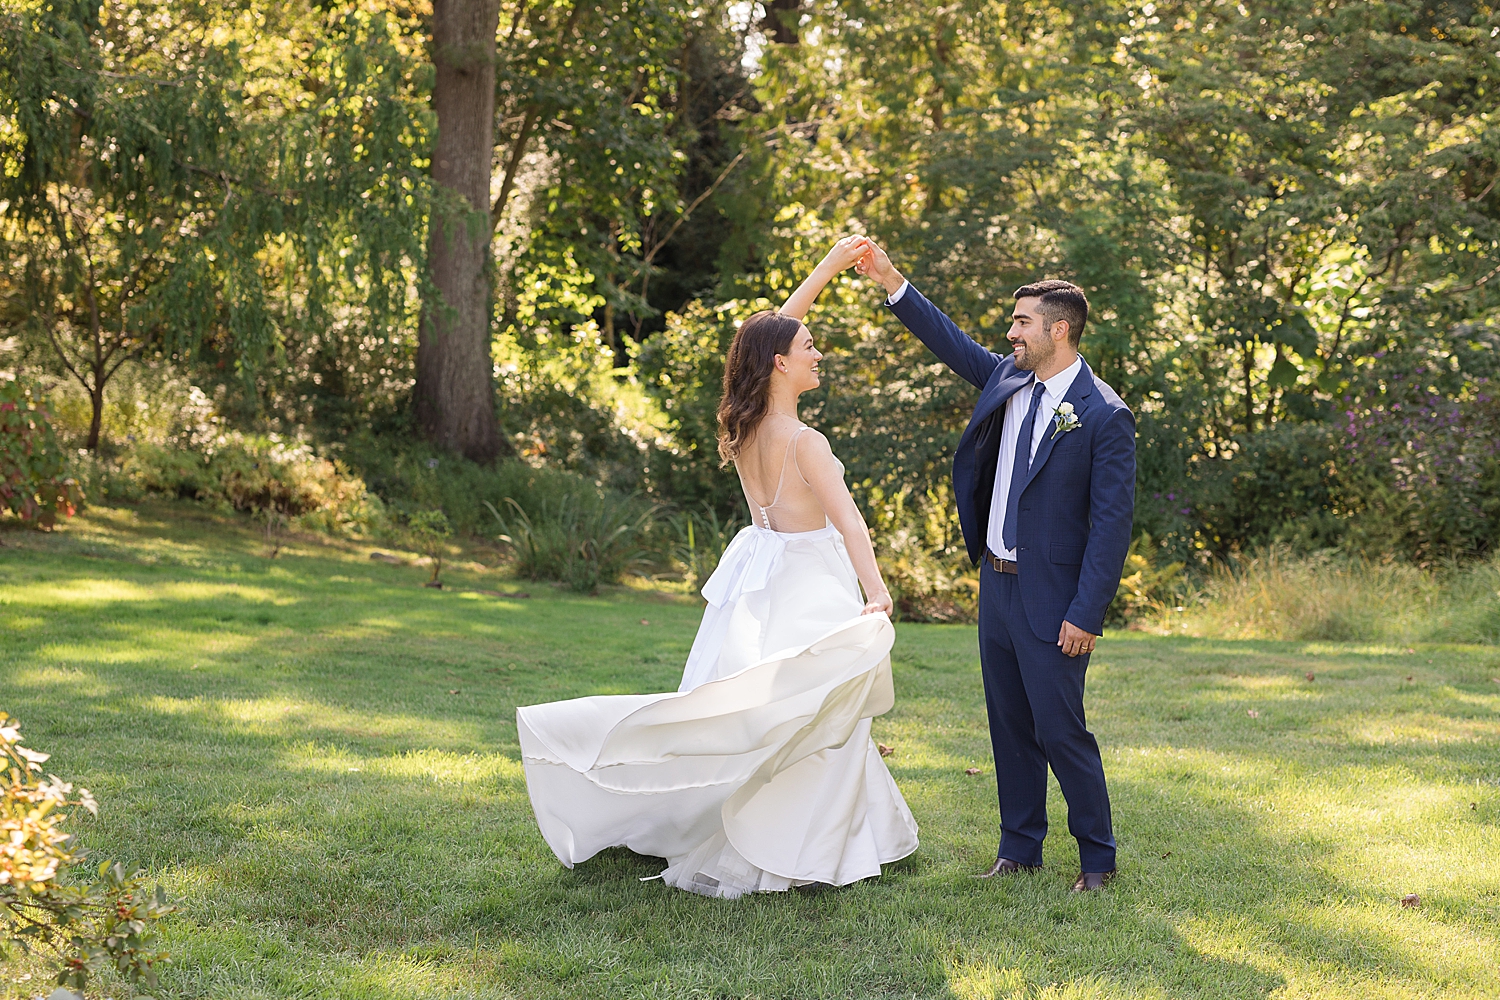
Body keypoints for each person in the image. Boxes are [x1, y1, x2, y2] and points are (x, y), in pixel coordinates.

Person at [516, 236, 918, 898]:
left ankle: (838, 833)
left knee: (783, 708)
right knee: (812, 711)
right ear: (783, 365)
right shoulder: (805, 441)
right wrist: (876, 593)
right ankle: (799, 844)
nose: (819, 354)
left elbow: (763, 339)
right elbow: (849, 522)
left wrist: (828, 267)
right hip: (809, 578)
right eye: (810, 348)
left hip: (765, 572)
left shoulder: (749, 425)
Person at [856, 241, 1134, 891]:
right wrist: (893, 281)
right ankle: (1019, 849)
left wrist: (1085, 613)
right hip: (998, 588)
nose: (1009, 333)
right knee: (1009, 724)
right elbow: (947, 341)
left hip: (1056, 600)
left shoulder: (1103, 416)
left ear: (1058, 331)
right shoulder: (1007, 379)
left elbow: (1111, 529)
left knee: (1061, 731)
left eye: (1021, 323)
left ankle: (1098, 861)